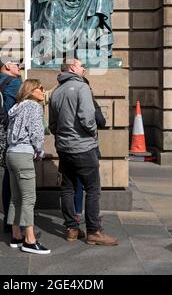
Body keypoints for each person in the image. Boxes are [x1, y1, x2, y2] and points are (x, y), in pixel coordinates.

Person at [49, 57, 118, 246]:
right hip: (83, 147)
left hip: (64, 147)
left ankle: (72, 229)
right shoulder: (82, 88)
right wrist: (93, 132)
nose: (85, 69)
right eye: (82, 66)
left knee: (68, 187)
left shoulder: (56, 92)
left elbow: (52, 124)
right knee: (93, 189)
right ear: (72, 67)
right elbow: (88, 118)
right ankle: (94, 231)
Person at [6, 79, 50, 255]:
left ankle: (16, 235)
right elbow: (37, 133)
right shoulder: (34, 107)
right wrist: (39, 152)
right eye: (40, 88)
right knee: (29, 198)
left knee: (15, 197)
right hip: (24, 154)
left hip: (11, 153)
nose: (43, 91)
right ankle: (30, 240)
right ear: (31, 91)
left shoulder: (17, 108)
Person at [0, 56, 23, 233]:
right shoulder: (13, 82)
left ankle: (8, 219)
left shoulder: (0, 83)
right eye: (16, 64)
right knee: (16, 181)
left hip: (3, 134)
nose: (19, 66)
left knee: (8, 177)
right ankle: (14, 223)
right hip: (13, 136)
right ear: (7, 66)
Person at [74, 76, 106, 223]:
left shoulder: (62, 96)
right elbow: (100, 122)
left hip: (67, 147)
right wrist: (92, 130)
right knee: (92, 187)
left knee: (72, 185)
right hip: (87, 147)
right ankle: (92, 223)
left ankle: (75, 216)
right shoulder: (90, 101)